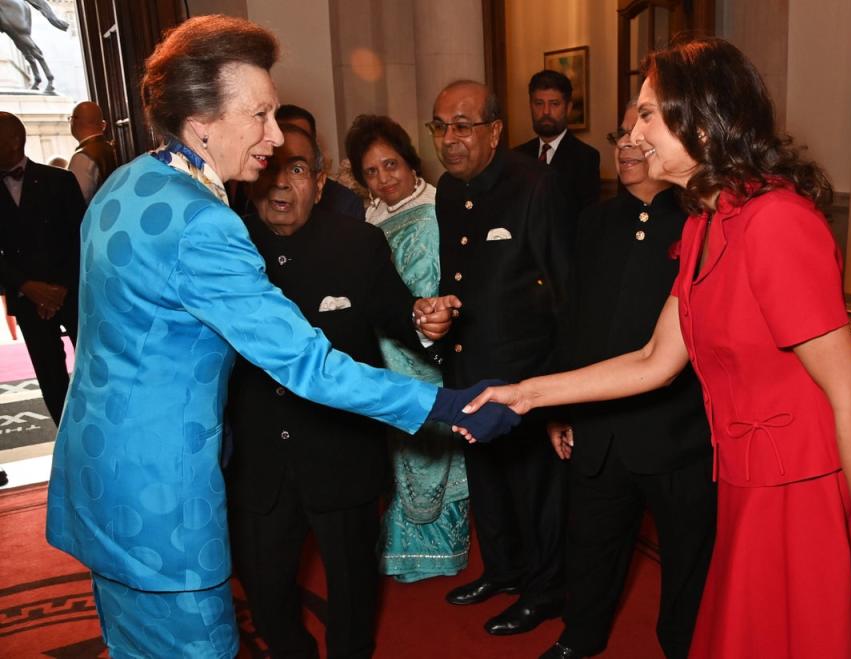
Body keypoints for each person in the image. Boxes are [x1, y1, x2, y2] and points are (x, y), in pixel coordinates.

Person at [43, 16, 516, 659]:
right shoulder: (204, 223)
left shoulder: (127, 182)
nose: (274, 134)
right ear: (202, 119)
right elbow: (307, 365)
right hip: (166, 500)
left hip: (101, 476)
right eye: (259, 114)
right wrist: (441, 405)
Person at [463, 37, 851, 659]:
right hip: (744, 483)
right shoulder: (703, 222)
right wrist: (526, 394)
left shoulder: (775, 221)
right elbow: (654, 360)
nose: (634, 131)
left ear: (701, 119)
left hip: (799, 492)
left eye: (648, 113)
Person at [227, 122, 449, 658]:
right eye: (272, 169)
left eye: (298, 169)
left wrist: (427, 322)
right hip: (257, 460)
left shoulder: (357, 243)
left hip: (341, 453)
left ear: (321, 182)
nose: (282, 183)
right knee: (265, 590)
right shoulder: (226, 244)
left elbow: (399, 317)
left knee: (352, 592)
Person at [539, 102, 715, 659]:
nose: (629, 144)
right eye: (622, 133)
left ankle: (681, 648)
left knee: (689, 558)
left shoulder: (699, 222)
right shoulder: (594, 220)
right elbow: (574, 319)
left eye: (644, 132)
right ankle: (579, 638)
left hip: (678, 431)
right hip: (599, 424)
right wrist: (558, 406)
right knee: (590, 543)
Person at [429, 80, 572, 635]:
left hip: (528, 377)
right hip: (468, 371)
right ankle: (504, 570)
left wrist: (559, 393)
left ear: (494, 131)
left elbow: (565, 294)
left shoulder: (537, 186)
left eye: (462, 125)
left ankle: (545, 591)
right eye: (440, 126)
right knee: (487, 481)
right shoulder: (446, 190)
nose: (449, 139)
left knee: (536, 491)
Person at [345, 114, 470, 583]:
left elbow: (427, 284)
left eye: (391, 164)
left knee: (429, 446)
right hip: (383, 349)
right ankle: (400, 548)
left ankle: (442, 554)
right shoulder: (372, 214)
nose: (384, 178)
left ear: (410, 161)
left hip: (422, 347)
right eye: (372, 172)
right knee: (396, 452)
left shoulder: (437, 208)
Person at [0, 111, 86, 426]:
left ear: (14, 140)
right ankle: (67, 439)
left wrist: (60, 288)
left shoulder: (59, 181)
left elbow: (81, 237)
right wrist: (27, 286)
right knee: (50, 377)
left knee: (92, 366)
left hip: (70, 292)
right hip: (26, 297)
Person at [514, 70, 600, 218]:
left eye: (554, 104)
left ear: (568, 108)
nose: (546, 112)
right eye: (539, 103)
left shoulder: (585, 158)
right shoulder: (517, 156)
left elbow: (587, 220)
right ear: (530, 106)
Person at [276, 103, 365, 220]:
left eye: (301, 137)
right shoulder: (254, 197)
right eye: (283, 139)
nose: (292, 146)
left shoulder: (345, 203)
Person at [67, 101, 118, 203]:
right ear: (103, 124)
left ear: (74, 121)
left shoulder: (82, 157)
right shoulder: (110, 147)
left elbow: (76, 200)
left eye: (70, 118)